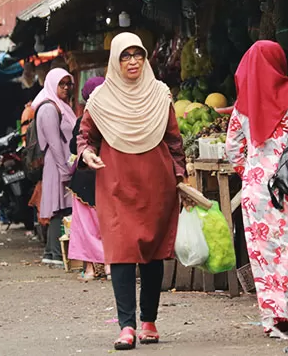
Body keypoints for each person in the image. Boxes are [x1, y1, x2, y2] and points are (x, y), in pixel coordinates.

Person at [78, 32, 187, 351]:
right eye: (125, 56)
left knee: (152, 255)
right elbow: (85, 138)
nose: (133, 61)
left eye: (138, 55)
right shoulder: (99, 100)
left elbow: (174, 141)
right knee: (122, 254)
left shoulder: (160, 94)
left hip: (156, 185)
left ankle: (149, 321)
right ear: (115, 60)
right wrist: (86, 154)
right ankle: (126, 326)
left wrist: (180, 176)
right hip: (115, 185)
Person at [226, 40, 288, 334]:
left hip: (257, 192)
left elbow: (233, 149)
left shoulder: (243, 105)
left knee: (265, 256)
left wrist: (252, 172)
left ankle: (275, 319)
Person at [33, 68, 77, 266]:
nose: (66, 88)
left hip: (62, 163)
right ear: (52, 84)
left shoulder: (61, 106)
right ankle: (55, 253)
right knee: (59, 208)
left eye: (69, 84)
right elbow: (54, 143)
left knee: (62, 207)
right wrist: (64, 170)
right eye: (62, 84)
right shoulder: (49, 108)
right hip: (57, 163)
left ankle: (53, 253)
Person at [67, 77, 108, 280]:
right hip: (107, 177)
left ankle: (90, 269)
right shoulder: (114, 117)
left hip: (84, 180)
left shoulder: (83, 120)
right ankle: (109, 267)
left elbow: (73, 147)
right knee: (107, 224)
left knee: (85, 226)